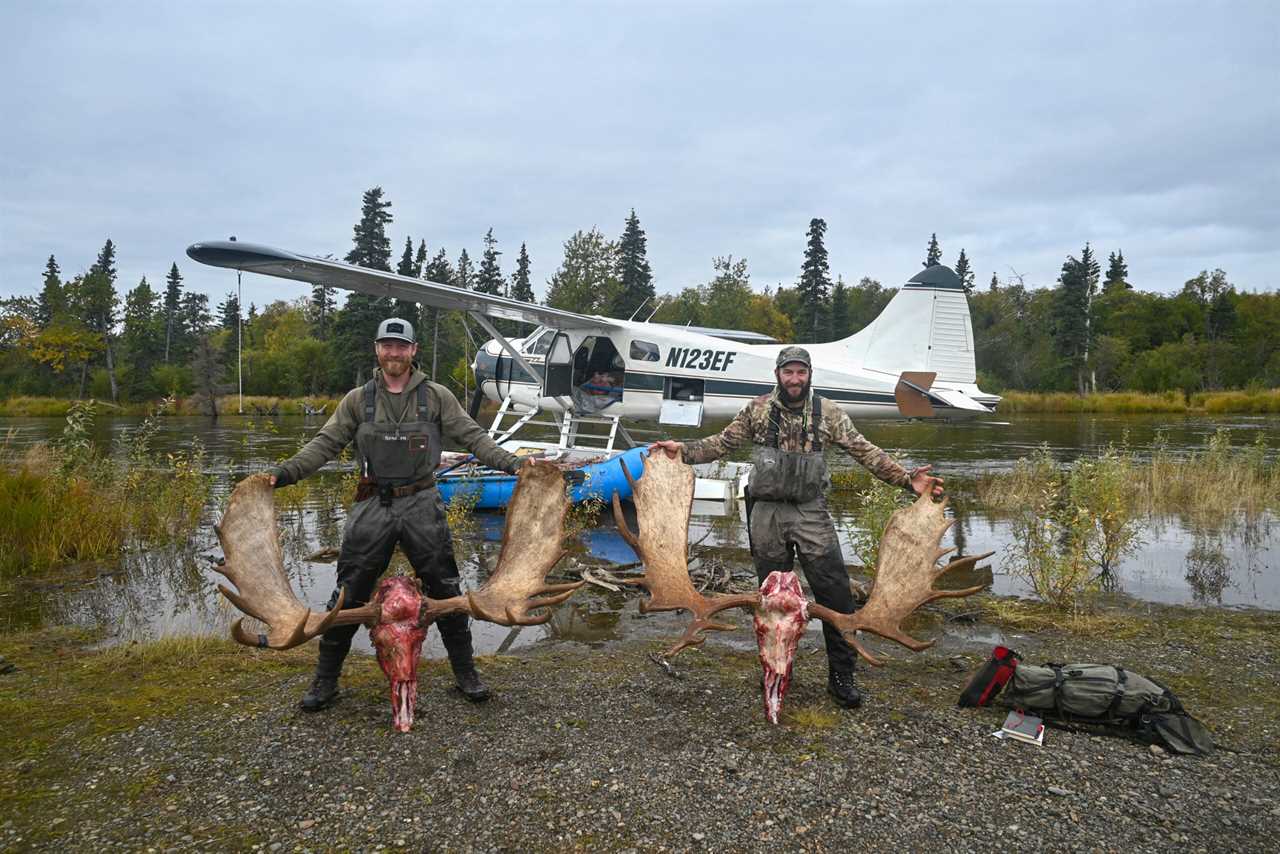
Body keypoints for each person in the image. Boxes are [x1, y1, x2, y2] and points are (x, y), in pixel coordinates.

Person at [651, 346, 943, 709]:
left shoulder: (829, 413)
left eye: (800, 373)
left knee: (836, 595)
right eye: (788, 372)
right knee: (772, 601)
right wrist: (683, 450)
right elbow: (722, 444)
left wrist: (905, 480)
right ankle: (775, 671)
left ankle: (841, 676)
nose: (794, 379)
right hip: (767, 516)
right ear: (777, 374)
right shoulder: (756, 410)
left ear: (809, 374)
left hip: (811, 514)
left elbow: (865, 452)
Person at [268, 317, 523, 712]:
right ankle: (325, 679)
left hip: (423, 503)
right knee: (348, 594)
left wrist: (515, 466)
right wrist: (282, 474)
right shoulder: (358, 400)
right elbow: (324, 444)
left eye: (401, 346)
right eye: (387, 345)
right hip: (373, 505)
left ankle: (465, 673)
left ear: (413, 351)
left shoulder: (437, 397)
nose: (394, 353)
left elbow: (474, 437)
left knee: (446, 591)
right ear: (377, 350)